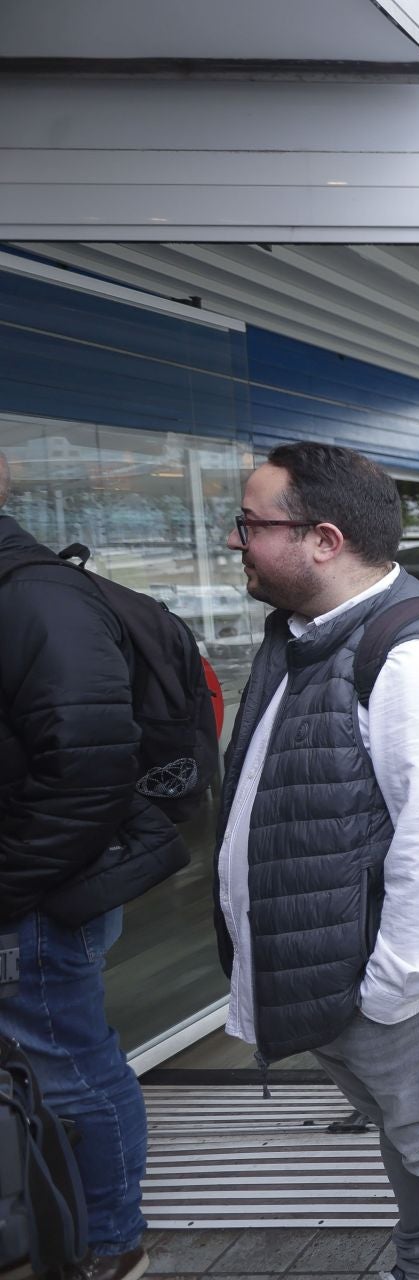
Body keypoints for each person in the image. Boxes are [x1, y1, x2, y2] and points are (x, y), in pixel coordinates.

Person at [216, 442, 419, 1278]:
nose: (235, 540)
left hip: (407, 982)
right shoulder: (305, 636)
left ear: (322, 538)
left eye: (250, 523)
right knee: (412, 1140)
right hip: (354, 978)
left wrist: (388, 991)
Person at [0, 450, 174, 1280]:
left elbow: (90, 767)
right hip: (27, 880)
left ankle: (112, 1246)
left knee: (67, 1069)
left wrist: (7, 885)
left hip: (33, 894)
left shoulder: (35, 595)